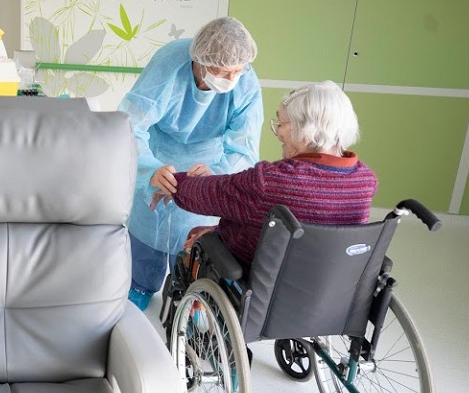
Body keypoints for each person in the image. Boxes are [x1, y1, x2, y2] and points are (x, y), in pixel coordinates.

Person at [118, 16, 263, 311]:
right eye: (222, 72)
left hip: (207, 165)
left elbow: (244, 146)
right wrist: (148, 168)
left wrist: (218, 176)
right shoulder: (170, 64)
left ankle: (194, 295)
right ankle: (139, 285)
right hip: (158, 154)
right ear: (200, 60)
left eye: (237, 72)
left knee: (195, 240)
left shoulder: (245, 81)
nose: (231, 79)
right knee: (148, 228)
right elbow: (129, 125)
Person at [150, 81, 378, 268]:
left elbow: (208, 194)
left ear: (306, 133)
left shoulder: (271, 182)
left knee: (198, 236)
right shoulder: (364, 180)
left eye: (281, 123)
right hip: (324, 284)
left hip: (263, 280)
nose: (278, 132)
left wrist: (173, 182)